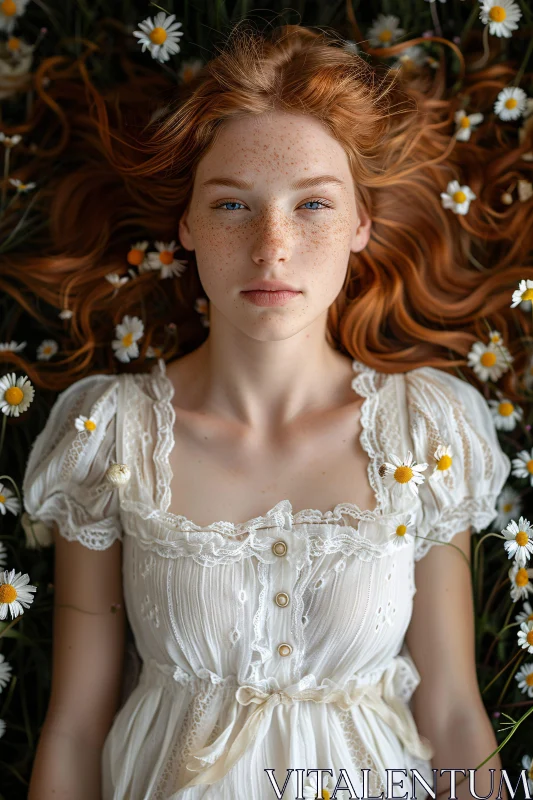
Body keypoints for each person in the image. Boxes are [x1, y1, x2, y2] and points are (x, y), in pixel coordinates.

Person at [20, 21, 517, 800]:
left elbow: (452, 711)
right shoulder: (110, 437)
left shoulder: (423, 433)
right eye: (230, 207)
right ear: (185, 225)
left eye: (312, 204)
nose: (271, 246)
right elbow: (76, 727)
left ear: (360, 224)